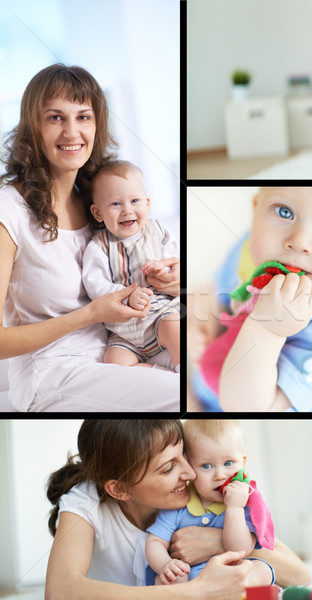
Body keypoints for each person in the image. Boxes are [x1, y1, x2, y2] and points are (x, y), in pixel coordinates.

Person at [0, 63, 178, 411]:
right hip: (54, 374)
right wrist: (90, 313)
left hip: (120, 351)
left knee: (212, 368)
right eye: (55, 118)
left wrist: (173, 278)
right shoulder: (9, 210)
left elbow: (143, 257)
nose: (72, 132)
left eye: (84, 117)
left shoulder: (101, 202)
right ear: (32, 128)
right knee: (189, 396)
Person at [45, 420, 311, 600]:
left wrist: (220, 543)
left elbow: (300, 574)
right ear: (120, 489)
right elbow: (59, 591)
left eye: (186, 454)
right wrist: (198, 591)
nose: (190, 472)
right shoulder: (86, 499)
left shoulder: (207, 494)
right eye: (168, 467)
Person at [188, 186, 312, 412]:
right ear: (256, 214)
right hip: (203, 386)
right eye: (284, 211)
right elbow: (213, 291)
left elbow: (247, 409)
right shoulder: (254, 251)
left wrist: (268, 329)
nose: (299, 241)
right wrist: (202, 322)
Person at [146, 420, 274, 587]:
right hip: (191, 578)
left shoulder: (245, 502)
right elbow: (155, 542)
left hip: (229, 573)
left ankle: (230, 593)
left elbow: (239, 549)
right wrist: (165, 564)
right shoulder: (180, 503)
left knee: (261, 569)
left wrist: (234, 508)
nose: (220, 475)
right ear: (190, 467)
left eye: (228, 463)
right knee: (169, 579)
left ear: (243, 463)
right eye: (206, 466)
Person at [82, 160, 180, 372]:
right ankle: (157, 369)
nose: (127, 210)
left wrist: (164, 270)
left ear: (147, 204)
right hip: (124, 331)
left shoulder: (158, 231)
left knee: (176, 330)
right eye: (116, 204)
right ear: (98, 213)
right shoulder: (98, 247)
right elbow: (95, 285)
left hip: (160, 314)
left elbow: (175, 262)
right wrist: (126, 296)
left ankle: (184, 370)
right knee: (114, 362)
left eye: (134, 201)